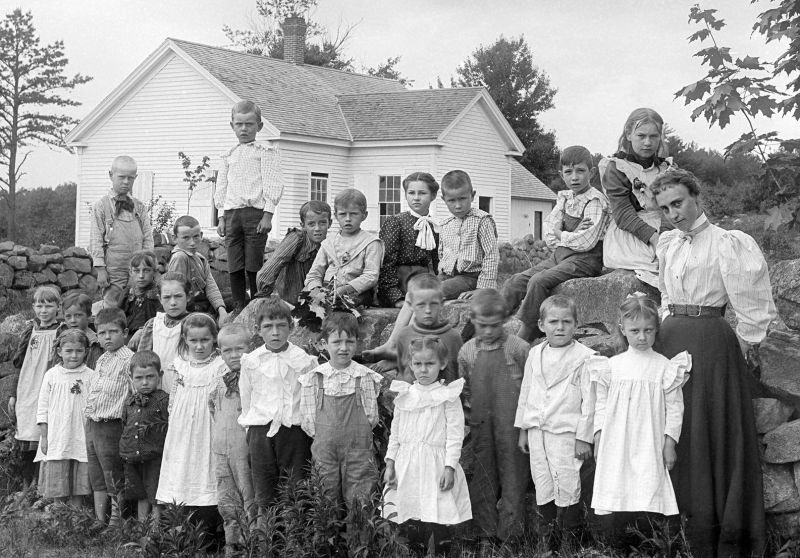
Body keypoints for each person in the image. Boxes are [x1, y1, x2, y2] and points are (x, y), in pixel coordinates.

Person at [653, 169, 776, 557]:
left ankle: (714, 534)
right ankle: (673, 531)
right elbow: (664, 296)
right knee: (676, 430)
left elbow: (754, 309)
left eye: (679, 203)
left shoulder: (728, 243)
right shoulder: (668, 245)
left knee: (711, 431)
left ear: (696, 197)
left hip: (712, 342)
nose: (674, 214)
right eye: (665, 208)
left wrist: (734, 345)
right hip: (670, 341)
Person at [588, 297, 690, 545]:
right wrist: (599, 435)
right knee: (618, 483)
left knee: (648, 482)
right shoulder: (612, 366)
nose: (642, 337)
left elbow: (675, 408)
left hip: (649, 439)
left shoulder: (664, 367)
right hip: (618, 440)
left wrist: (669, 443)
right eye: (635, 331)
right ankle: (618, 543)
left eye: (648, 330)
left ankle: (650, 544)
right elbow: (600, 404)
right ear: (623, 330)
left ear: (656, 330)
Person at [503, 147, 610, 342]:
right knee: (516, 281)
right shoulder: (565, 198)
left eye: (580, 171)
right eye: (569, 172)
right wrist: (568, 233)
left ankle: (527, 332)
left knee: (539, 281)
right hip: (559, 256)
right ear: (562, 174)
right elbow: (549, 233)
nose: (574, 177)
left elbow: (585, 242)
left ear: (592, 173)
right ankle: (493, 324)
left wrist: (561, 232)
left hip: (585, 260)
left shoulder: (595, 201)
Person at [515, 295, 597, 546]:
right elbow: (526, 391)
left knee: (568, 485)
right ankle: (546, 543)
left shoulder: (586, 357)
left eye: (566, 321)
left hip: (566, 434)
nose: (559, 327)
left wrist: (584, 438)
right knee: (543, 483)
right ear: (541, 325)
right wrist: (523, 429)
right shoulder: (535, 353)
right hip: (537, 432)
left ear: (576, 324)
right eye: (553, 322)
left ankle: (569, 543)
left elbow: (590, 402)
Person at [383, 336, 471, 555]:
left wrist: (450, 467)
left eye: (429, 364)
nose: (423, 370)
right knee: (411, 515)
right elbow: (395, 434)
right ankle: (416, 551)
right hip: (408, 465)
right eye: (418, 364)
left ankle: (442, 551)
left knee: (438, 515)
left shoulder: (448, 396)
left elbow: (454, 434)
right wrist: (390, 464)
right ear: (411, 365)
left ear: (441, 364)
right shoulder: (405, 395)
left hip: (436, 465)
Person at [457, 289, 529, 544]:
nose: (488, 331)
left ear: (505, 320)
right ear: (473, 321)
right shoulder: (466, 352)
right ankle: (484, 534)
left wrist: (526, 426)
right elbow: (464, 389)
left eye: (494, 325)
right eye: (482, 326)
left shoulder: (518, 348)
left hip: (512, 426)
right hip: (481, 425)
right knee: (483, 477)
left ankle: (511, 535)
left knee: (513, 478)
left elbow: (531, 387)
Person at [238, 297, 317, 523]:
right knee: (264, 490)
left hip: (293, 433)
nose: (275, 333)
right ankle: (265, 541)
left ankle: (294, 543)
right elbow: (247, 399)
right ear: (258, 330)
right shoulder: (251, 361)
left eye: (281, 326)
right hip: (260, 432)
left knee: (295, 489)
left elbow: (308, 399)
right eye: (268, 327)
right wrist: (251, 431)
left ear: (291, 327)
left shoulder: (303, 360)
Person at [298, 313, 383, 509]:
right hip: (324, 450)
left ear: (357, 343)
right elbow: (308, 421)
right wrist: (326, 438)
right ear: (324, 344)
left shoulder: (365, 377)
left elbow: (371, 417)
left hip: (358, 450)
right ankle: (326, 537)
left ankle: (360, 539)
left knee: (361, 498)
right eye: (336, 342)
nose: (343, 348)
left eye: (349, 342)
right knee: (325, 497)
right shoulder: (314, 378)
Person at [215, 100, 284, 311]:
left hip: (255, 214)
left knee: (253, 261)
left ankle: (257, 303)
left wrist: (268, 215)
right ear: (232, 125)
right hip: (231, 213)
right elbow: (222, 186)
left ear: (259, 126)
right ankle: (238, 305)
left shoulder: (265, 151)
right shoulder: (229, 155)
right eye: (239, 124)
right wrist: (220, 216)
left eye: (249, 124)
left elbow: (273, 182)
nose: (244, 128)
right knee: (234, 262)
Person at [156, 313, 226, 510]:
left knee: (205, 461)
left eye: (205, 340)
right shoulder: (180, 365)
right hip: (183, 426)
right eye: (193, 340)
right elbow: (174, 398)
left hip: (208, 424)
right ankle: (180, 506)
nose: (199, 346)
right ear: (185, 340)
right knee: (183, 462)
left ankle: (208, 506)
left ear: (214, 338)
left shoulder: (220, 366)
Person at [600, 108, 673, 290]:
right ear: (629, 134)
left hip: (666, 229)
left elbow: (671, 208)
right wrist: (654, 239)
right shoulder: (617, 167)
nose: (647, 142)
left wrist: (664, 237)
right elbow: (623, 213)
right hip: (632, 231)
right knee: (651, 270)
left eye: (653, 136)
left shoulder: (667, 169)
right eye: (641, 136)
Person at [9, 285, 66, 487]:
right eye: (39, 306)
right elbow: (18, 364)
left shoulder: (62, 331)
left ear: (58, 307)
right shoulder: (28, 331)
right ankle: (26, 483)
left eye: (49, 306)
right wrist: (13, 393)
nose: (44, 310)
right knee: (26, 431)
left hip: (49, 385)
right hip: (27, 386)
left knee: (44, 430)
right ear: (33, 307)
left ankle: (40, 482)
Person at [210, 324, 257, 555]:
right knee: (227, 499)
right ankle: (233, 545)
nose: (234, 355)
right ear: (220, 353)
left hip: (245, 449)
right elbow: (213, 408)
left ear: (251, 348)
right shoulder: (219, 380)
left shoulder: (255, 376)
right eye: (227, 351)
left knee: (249, 495)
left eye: (240, 348)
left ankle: (253, 544)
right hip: (221, 449)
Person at [84, 307, 133, 528]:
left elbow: (133, 394)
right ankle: (98, 518)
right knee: (97, 474)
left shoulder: (129, 360)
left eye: (113, 331)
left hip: (112, 425)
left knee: (113, 472)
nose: (107, 337)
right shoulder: (102, 359)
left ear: (125, 332)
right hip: (94, 423)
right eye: (102, 333)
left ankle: (116, 519)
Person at [35, 329, 94, 507]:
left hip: (80, 436)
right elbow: (42, 408)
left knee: (78, 485)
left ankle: (76, 518)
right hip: (57, 436)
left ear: (86, 351)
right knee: (58, 483)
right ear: (60, 351)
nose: (74, 356)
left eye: (79, 351)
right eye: (69, 351)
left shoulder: (91, 375)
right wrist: (45, 437)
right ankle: (59, 515)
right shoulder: (51, 375)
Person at [367, 274, 461, 383]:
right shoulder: (404, 334)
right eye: (421, 305)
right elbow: (403, 377)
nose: (427, 310)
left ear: (441, 303)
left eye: (433, 304)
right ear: (410, 305)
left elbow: (456, 375)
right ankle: (395, 354)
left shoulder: (452, 336)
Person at [303, 189, 384, 306]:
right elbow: (315, 273)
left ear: (364, 215)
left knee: (342, 306)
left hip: (356, 291)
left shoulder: (371, 242)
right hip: (326, 289)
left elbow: (371, 275)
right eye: (342, 214)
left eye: (354, 214)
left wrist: (345, 289)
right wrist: (317, 290)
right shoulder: (328, 243)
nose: (348, 219)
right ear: (336, 216)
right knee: (308, 306)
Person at [90, 155, 154, 290]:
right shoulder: (102, 206)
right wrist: (101, 270)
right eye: (121, 177)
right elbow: (96, 240)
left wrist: (148, 264)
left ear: (135, 178)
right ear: (111, 175)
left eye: (130, 178)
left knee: (137, 305)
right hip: (113, 272)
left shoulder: (139, 207)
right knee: (113, 307)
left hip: (138, 271)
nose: (126, 182)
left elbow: (148, 238)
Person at [378, 172, 440, 308]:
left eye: (422, 193)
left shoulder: (433, 225)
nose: (416, 198)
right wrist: (395, 297)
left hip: (423, 278)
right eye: (411, 193)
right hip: (400, 280)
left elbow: (437, 261)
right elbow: (386, 262)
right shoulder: (396, 222)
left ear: (433, 196)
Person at [120, 350, 169, 522]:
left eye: (150, 377)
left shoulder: (163, 400)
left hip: (154, 457)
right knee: (140, 493)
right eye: (139, 378)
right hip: (133, 457)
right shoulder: (129, 402)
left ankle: (155, 530)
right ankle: (142, 527)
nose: (145, 382)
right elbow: (124, 424)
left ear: (159, 375)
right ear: (131, 377)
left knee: (155, 494)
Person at [254, 200, 332, 305]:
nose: (317, 228)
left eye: (322, 223)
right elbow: (269, 269)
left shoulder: (329, 246)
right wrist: (264, 297)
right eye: (311, 224)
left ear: (330, 223)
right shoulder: (296, 238)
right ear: (303, 225)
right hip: (290, 301)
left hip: (315, 303)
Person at [437, 170, 499, 300]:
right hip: (448, 275)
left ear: (472, 195)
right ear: (444, 199)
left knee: (433, 293)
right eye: (451, 200)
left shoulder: (482, 221)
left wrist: (482, 288)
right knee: (420, 289)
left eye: (462, 199)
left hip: (471, 277)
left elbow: (491, 255)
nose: (458, 205)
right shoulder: (445, 225)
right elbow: (442, 254)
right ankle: (402, 321)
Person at [130, 271, 191, 392]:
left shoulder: (194, 324)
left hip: (185, 390)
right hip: (156, 391)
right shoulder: (153, 325)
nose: (173, 303)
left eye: (178, 296)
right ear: (160, 299)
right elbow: (142, 360)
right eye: (167, 297)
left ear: (188, 296)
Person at [167, 216, 228, 324]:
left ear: (201, 235)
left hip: (203, 303)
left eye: (196, 237)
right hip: (189, 308)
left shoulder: (200, 258)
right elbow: (176, 292)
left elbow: (210, 286)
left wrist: (221, 310)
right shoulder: (180, 257)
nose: (192, 243)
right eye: (186, 238)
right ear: (175, 238)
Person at [119, 250, 162, 338]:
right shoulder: (127, 293)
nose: (141, 276)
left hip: (151, 336)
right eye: (136, 271)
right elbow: (118, 316)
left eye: (146, 270)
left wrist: (142, 330)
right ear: (130, 272)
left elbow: (161, 320)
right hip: (127, 337)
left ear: (154, 271)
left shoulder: (158, 294)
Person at [62, 292, 104, 370]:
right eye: (68, 316)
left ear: (89, 316)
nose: (73, 320)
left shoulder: (94, 343)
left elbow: (94, 369)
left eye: (78, 315)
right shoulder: (62, 336)